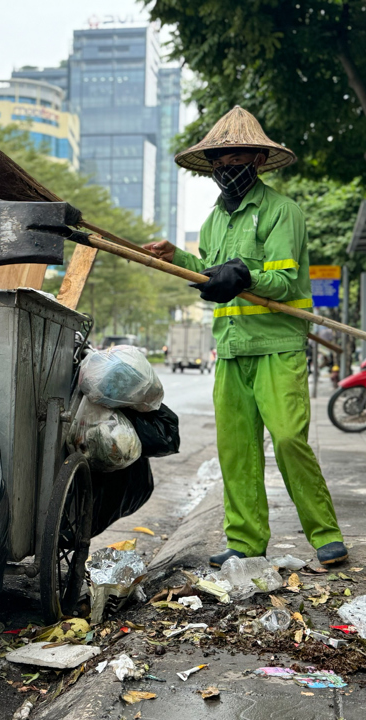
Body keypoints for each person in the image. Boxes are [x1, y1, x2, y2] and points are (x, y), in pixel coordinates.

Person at [144, 106, 347, 568]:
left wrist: (242, 274)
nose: (224, 164)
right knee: (235, 450)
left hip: (277, 347)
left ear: (256, 157)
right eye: (217, 157)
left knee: (291, 439)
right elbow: (213, 278)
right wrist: (176, 257)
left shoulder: (283, 212)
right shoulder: (214, 220)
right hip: (231, 348)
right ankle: (245, 540)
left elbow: (280, 283)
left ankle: (325, 533)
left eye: (234, 154)